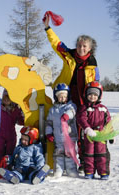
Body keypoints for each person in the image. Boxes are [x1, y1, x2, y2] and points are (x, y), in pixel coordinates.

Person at [43, 15, 100, 171]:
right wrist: (48, 28)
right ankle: (60, 160)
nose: (81, 48)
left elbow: (96, 86)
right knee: (63, 129)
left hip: (83, 102)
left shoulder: (93, 66)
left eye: (84, 46)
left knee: (82, 132)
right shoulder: (69, 56)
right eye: (79, 45)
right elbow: (57, 44)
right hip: (66, 99)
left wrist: (95, 103)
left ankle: (82, 161)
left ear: (89, 49)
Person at [76, 81, 111, 180]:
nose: (92, 97)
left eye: (95, 95)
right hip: (89, 136)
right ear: (86, 95)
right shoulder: (84, 108)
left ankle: (103, 172)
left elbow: (108, 122)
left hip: (101, 135)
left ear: (99, 96)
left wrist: (110, 135)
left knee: (102, 154)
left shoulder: (103, 109)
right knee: (88, 154)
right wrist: (87, 128)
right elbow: (81, 119)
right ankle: (89, 172)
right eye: (90, 94)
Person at [45, 83, 78, 178]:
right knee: (58, 154)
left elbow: (72, 111)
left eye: (65, 96)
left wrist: (67, 115)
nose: (62, 98)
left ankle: (71, 169)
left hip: (70, 137)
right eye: (60, 96)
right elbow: (49, 123)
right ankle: (58, 169)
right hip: (58, 137)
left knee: (69, 153)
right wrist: (48, 133)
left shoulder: (71, 106)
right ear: (56, 97)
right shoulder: (52, 110)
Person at [0, 89, 24, 175]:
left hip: (11, 134)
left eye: (9, 98)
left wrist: (23, 113)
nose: (6, 100)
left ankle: (8, 167)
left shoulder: (15, 109)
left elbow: (21, 122)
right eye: (5, 98)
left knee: (10, 151)